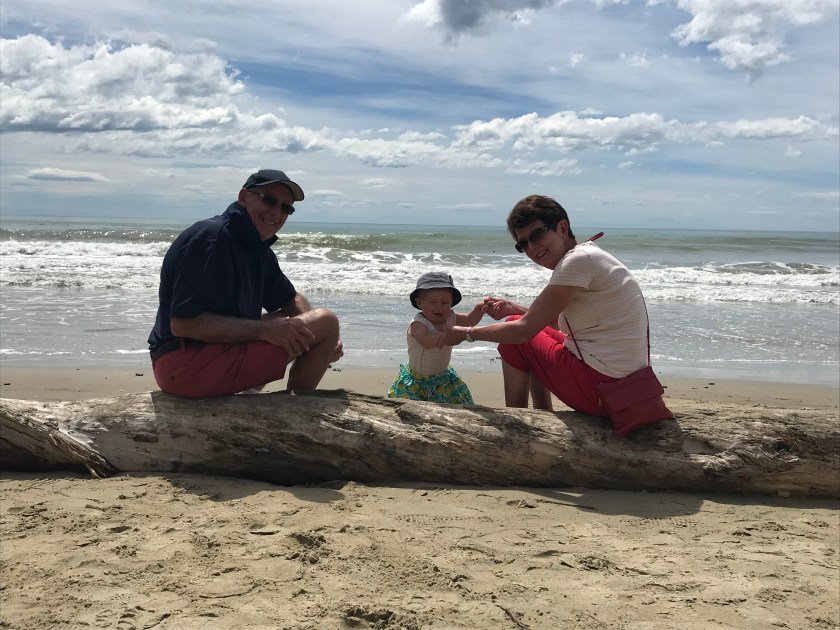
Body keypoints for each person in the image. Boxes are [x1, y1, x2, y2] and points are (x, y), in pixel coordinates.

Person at [439, 195, 649, 415]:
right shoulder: (589, 255)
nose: (531, 247)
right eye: (523, 244)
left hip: (603, 390)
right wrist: (513, 307)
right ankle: (542, 413)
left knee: (515, 334)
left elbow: (524, 330)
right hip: (627, 388)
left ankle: (517, 421)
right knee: (520, 325)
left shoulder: (576, 261)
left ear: (562, 228)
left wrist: (467, 333)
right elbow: (553, 322)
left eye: (537, 234)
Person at [148, 169, 343, 398]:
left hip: (205, 358)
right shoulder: (212, 238)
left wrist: (315, 338)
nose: (276, 212)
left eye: (286, 208)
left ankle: (252, 394)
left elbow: (291, 298)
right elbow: (183, 324)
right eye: (269, 200)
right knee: (326, 321)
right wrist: (268, 330)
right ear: (243, 197)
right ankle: (297, 410)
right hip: (182, 366)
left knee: (291, 320)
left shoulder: (257, 250)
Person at [387, 272, 486, 404]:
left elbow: (469, 320)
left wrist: (480, 309)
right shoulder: (418, 324)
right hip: (417, 381)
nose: (439, 307)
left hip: (442, 378)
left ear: (451, 303)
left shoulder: (450, 317)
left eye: (444, 303)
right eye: (432, 302)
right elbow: (426, 342)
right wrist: (447, 334)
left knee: (454, 408)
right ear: (419, 303)